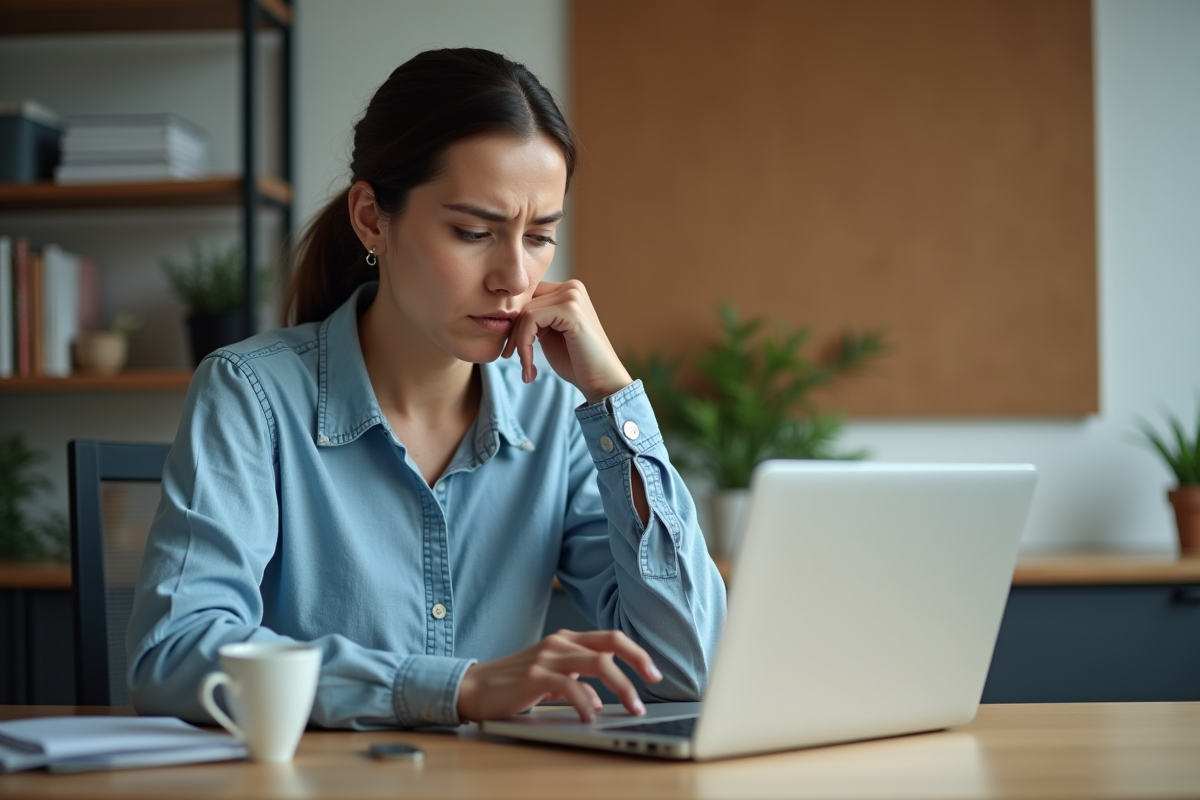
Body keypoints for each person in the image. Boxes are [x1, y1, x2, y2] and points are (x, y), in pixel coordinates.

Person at [126, 48, 727, 730]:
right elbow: (174, 654)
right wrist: (456, 688)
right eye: (473, 232)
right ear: (370, 218)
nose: (514, 277)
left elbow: (688, 665)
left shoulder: (556, 411)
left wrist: (613, 398)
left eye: (539, 236)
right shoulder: (251, 393)